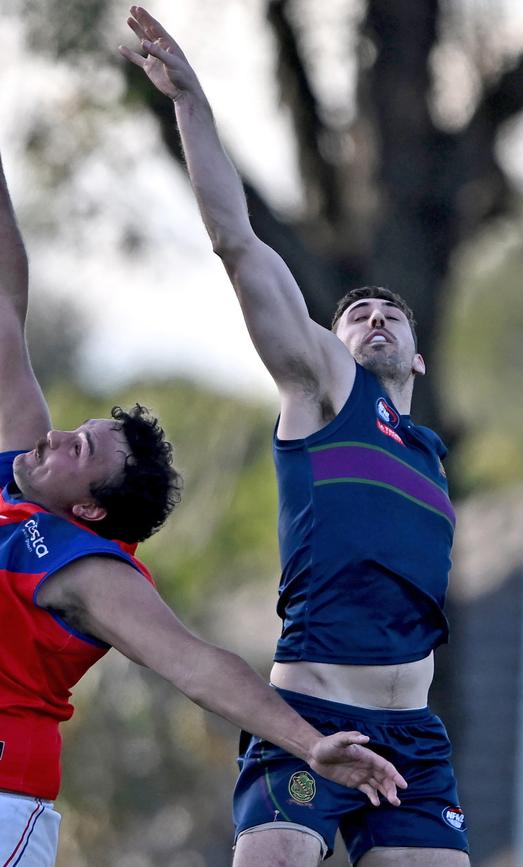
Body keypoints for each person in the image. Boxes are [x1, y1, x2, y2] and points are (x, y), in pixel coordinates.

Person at [0, 120, 408, 867]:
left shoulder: (87, 569)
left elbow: (196, 664)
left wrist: (310, 742)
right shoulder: (19, 465)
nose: (56, 437)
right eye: (77, 430)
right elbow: (4, 295)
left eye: (78, 449)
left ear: (88, 510)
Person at [122, 6, 470, 866]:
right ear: (329, 341)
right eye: (357, 313)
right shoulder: (322, 388)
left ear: (419, 359)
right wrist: (192, 103)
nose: (374, 317)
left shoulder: (429, 457)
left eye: (391, 314)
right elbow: (236, 243)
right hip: (308, 716)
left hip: (415, 738)